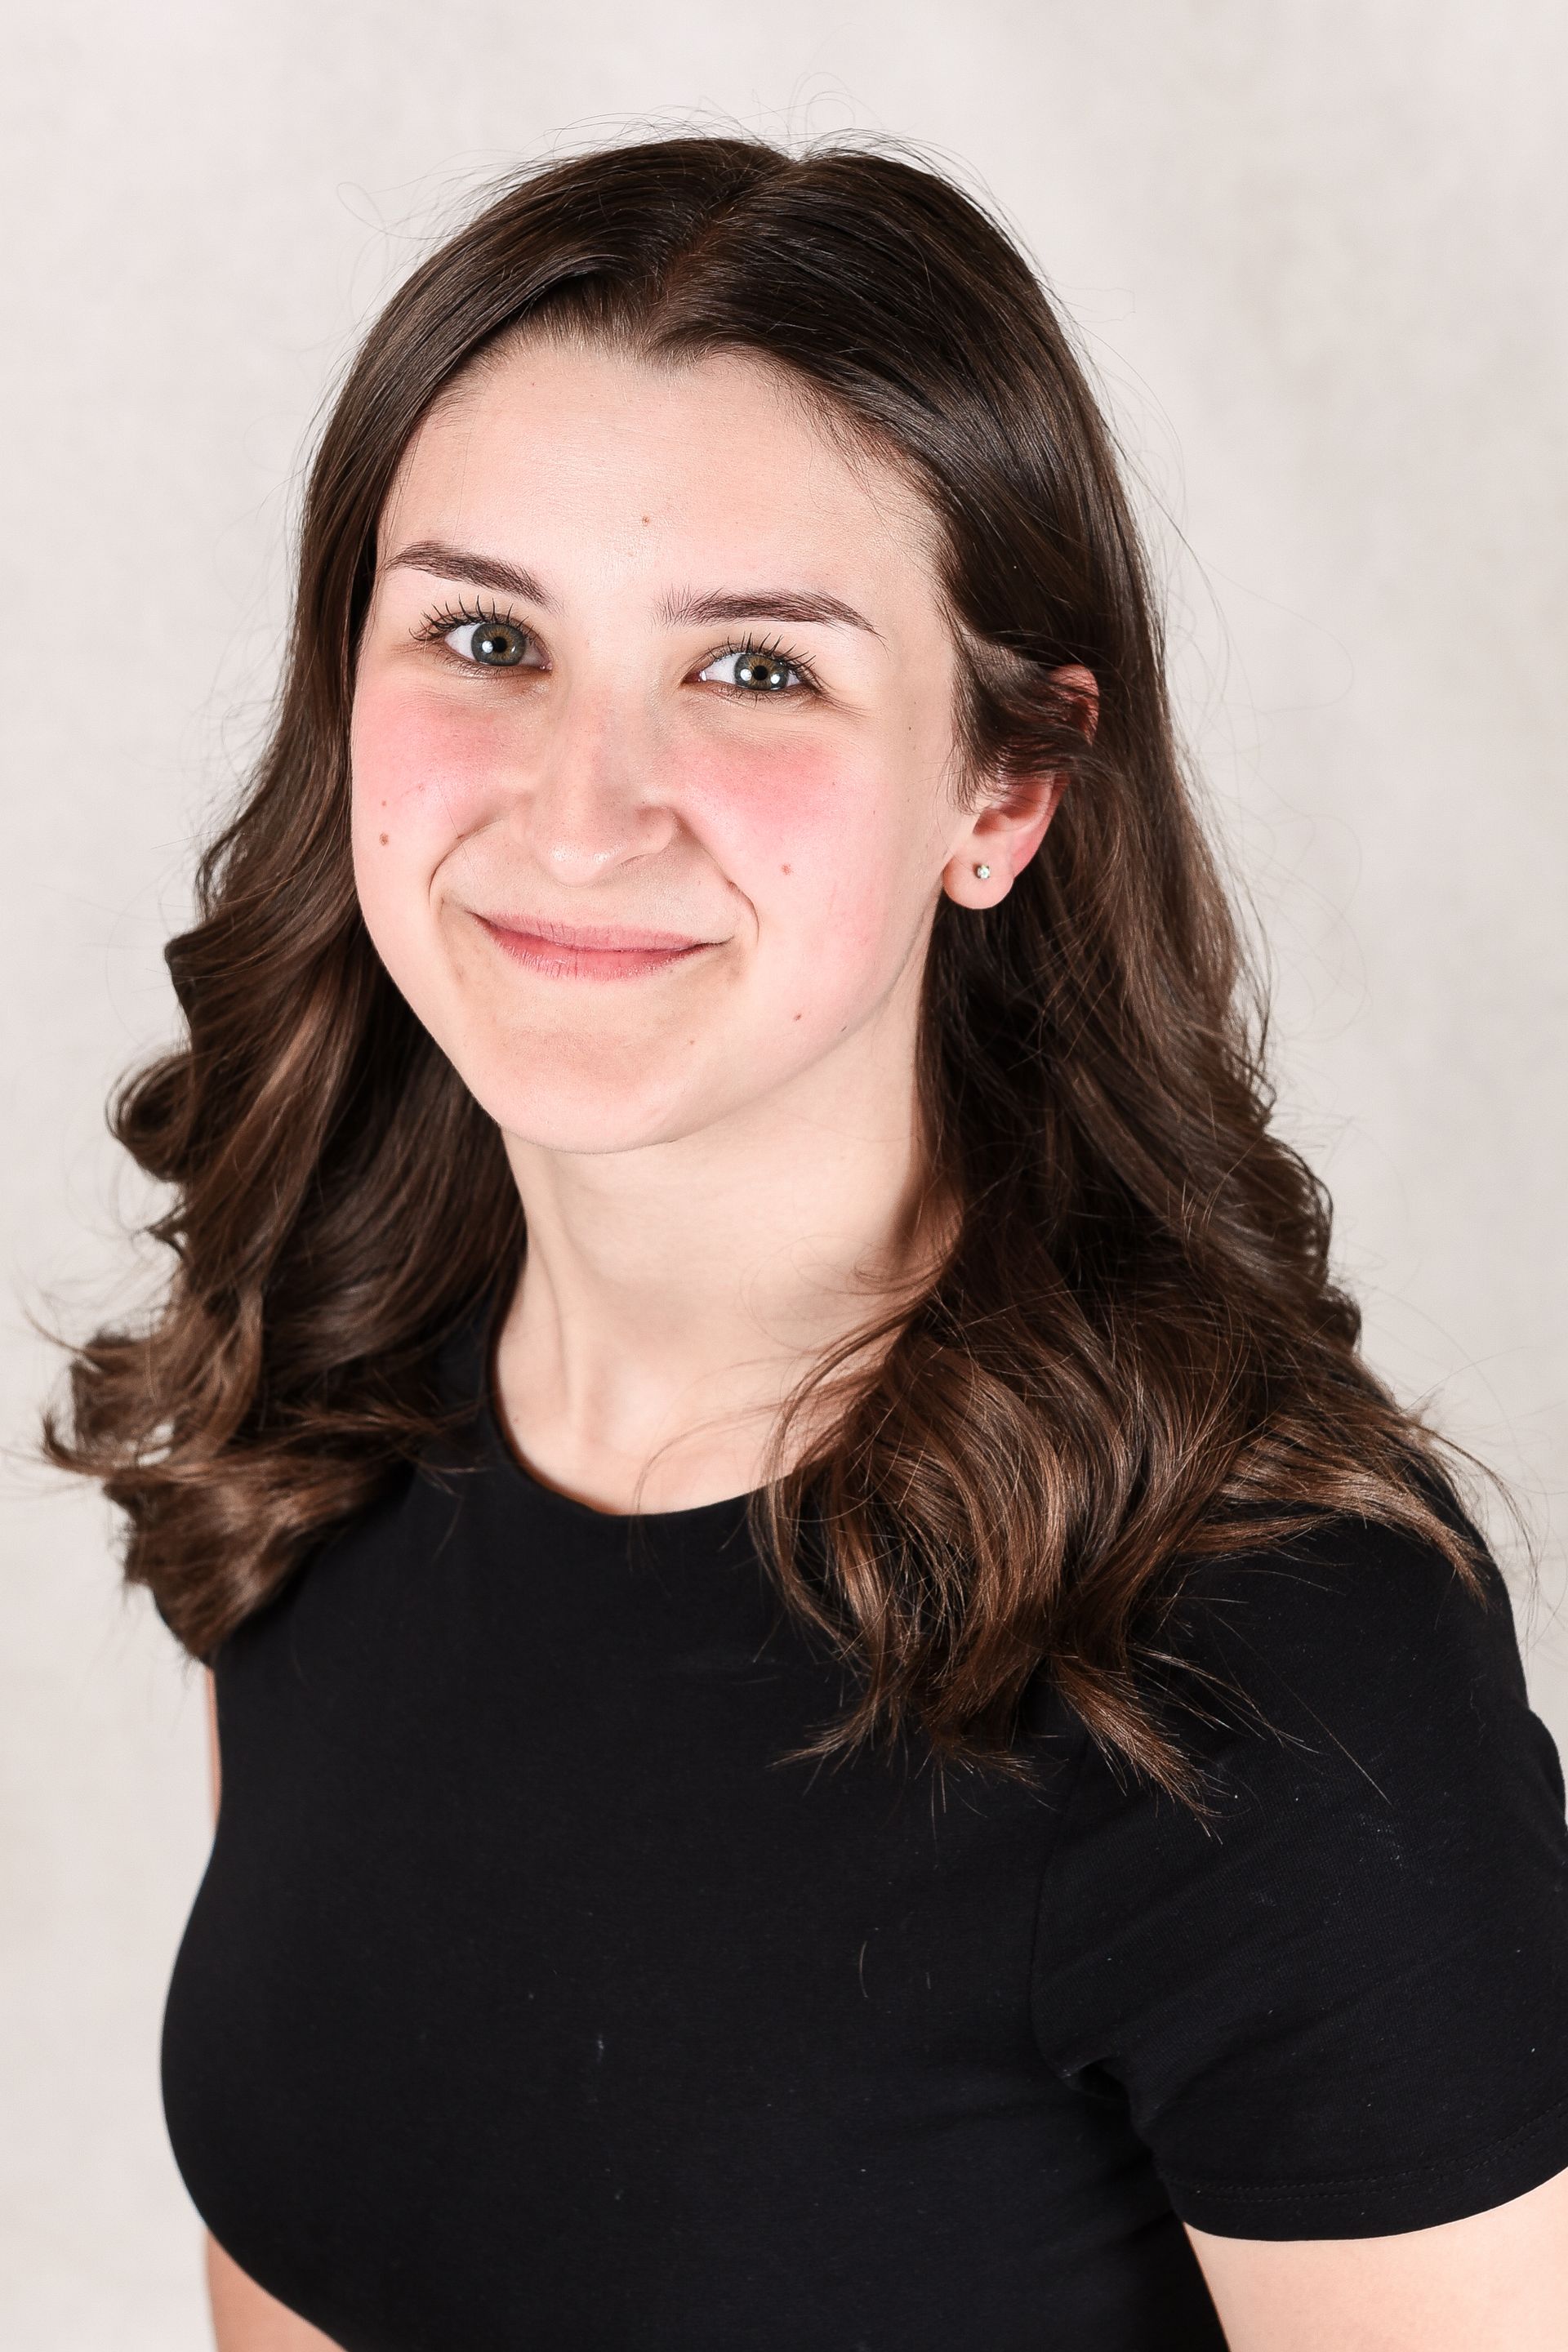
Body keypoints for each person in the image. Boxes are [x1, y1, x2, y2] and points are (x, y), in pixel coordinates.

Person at [47, 133, 1568, 2351]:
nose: (579, 810)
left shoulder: (1275, 1680)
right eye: (485, 636)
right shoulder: (314, 1391)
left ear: (1003, 794)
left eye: (756, 672)